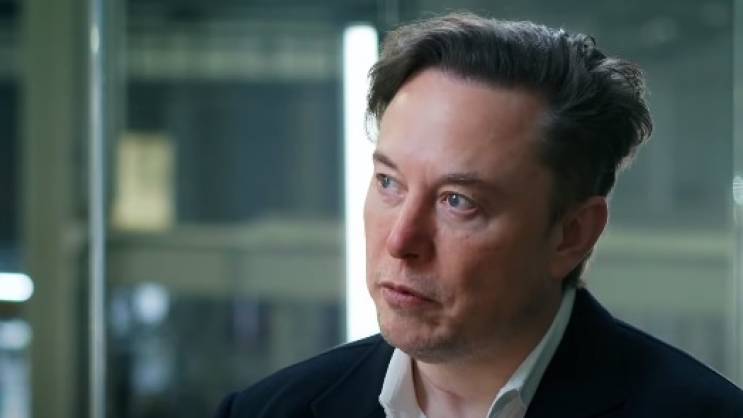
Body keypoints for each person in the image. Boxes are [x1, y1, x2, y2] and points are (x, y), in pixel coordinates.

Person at [213, 12, 743, 418]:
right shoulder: (265, 410)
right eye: (389, 182)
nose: (400, 240)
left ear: (571, 234)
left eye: (457, 201)